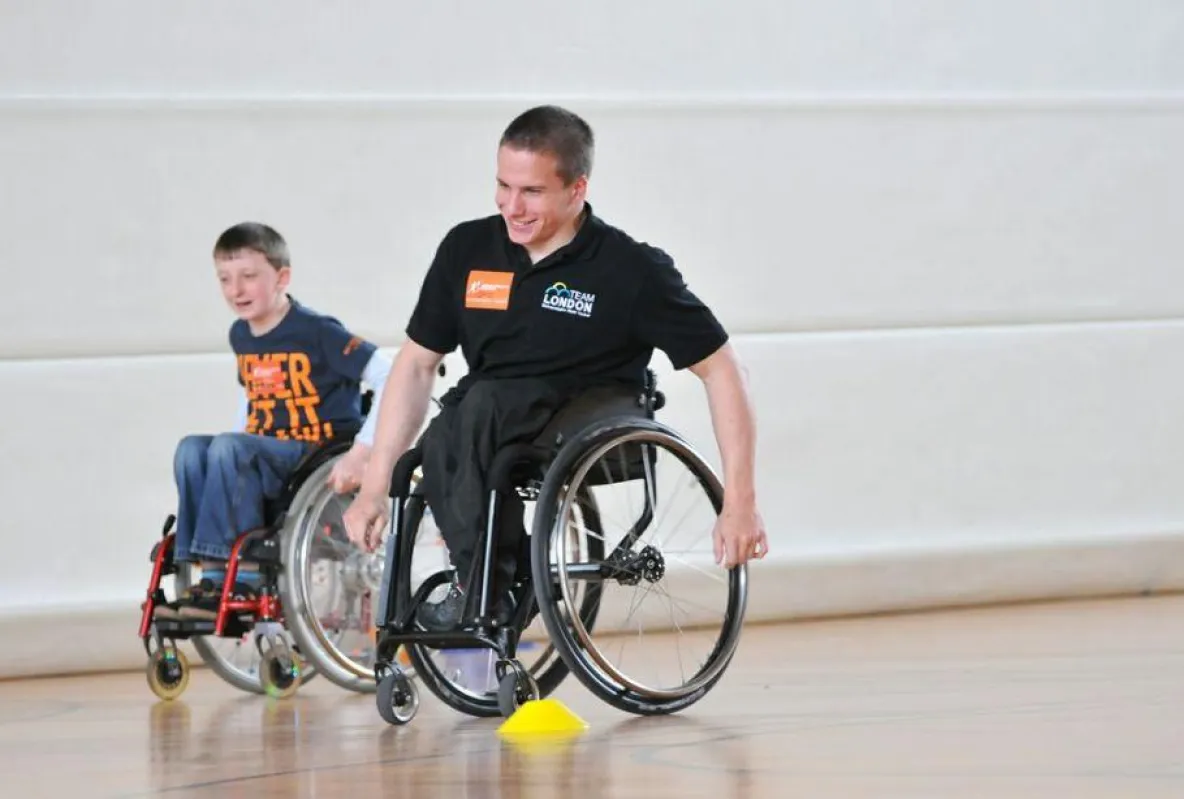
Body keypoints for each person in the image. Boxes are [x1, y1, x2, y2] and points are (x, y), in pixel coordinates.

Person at [342, 105, 767, 631]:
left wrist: (739, 502)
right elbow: (414, 365)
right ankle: (491, 577)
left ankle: (490, 586)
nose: (512, 207)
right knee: (441, 439)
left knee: (475, 410)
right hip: (487, 412)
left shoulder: (631, 270)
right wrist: (374, 486)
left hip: (586, 410)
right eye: (503, 186)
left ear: (576, 189)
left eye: (532, 192)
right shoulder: (466, 250)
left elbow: (725, 371)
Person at [159, 222, 392, 620]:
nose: (237, 290)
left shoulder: (317, 331)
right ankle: (206, 566)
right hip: (268, 450)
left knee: (230, 448)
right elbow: (249, 395)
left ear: (282, 277)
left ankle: (238, 572)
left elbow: (387, 374)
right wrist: (228, 449)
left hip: (315, 451)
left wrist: (365, 447)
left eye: (249, 277)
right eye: (225, 279)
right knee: (192, 449)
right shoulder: (241, 335)